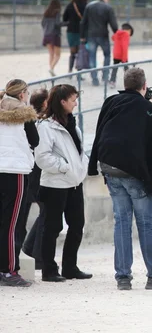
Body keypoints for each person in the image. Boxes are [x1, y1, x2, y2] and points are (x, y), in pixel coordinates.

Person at [88, 68, 152, 291]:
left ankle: (123, 277)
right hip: (135, 171)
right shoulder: (148, 108)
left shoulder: (111, 102)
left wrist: (94, 165)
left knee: (122, 221)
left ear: (125, 84)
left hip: (109, 166)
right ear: (144, 85)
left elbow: (100, 131)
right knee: (146, 223)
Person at [36, 84, 90, 283]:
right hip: (54, 184)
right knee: (52, 227)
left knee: (77, 224)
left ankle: (70, 267)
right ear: (62, 101)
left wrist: (80, 167)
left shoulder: (72, 123)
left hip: (74, 183)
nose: (76, 103)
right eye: (73, 99)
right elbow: (41, 157)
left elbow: (79, 151)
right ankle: (49, 270)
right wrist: (64, 167)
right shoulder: (46, 126)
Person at [0, 80, 38, 287]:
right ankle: (9, 270)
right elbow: (35, 140)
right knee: (11, 223)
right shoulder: (25, 114)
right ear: (22, 94)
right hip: (15, 170)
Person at [19, 88, 49, 271]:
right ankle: (32, 253)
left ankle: (29, 250)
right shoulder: (37, 122)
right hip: (33, 172)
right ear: (45, 103)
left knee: (41, 212)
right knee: (43, 212)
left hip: (29, 171)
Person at [80, 0, 119, 86]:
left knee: (92, 56)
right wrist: (117, 34)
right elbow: (113, 24)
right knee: (107, 55)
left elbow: (83, 22)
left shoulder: (89, 6)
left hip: (91, 35)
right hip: (103, 35)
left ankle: (94, 78)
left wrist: (82, 36)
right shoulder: (108, 7)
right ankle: (105, 76)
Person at [62, 0, 88, 75]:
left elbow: (64, 18)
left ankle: (70, 70)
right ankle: (79, 72)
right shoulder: (86, 6)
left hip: (71, 31)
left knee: (72, 52)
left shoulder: (70, 5)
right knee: (80, 52)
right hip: (82, 31)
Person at [42, 0, 65, 77]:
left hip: (46, 35)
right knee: (58, 55)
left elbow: (43, 23)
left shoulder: (46, 12)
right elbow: (57, 23)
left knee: (51, 54)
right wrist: (66, 23)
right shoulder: (57, 12)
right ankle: (51, 68)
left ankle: (51, 69)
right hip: (55, 35)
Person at [109, 23, 134, 89]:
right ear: (128, 30)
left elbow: (112, 38)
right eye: (130, 32)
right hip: (123, 55)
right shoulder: (126, 35)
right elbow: (124, 46)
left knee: (114, 69)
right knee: (127, 71)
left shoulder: (117, 33)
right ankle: (130, 84)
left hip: (116, 54)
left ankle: (112, 81)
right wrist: (124, 58)